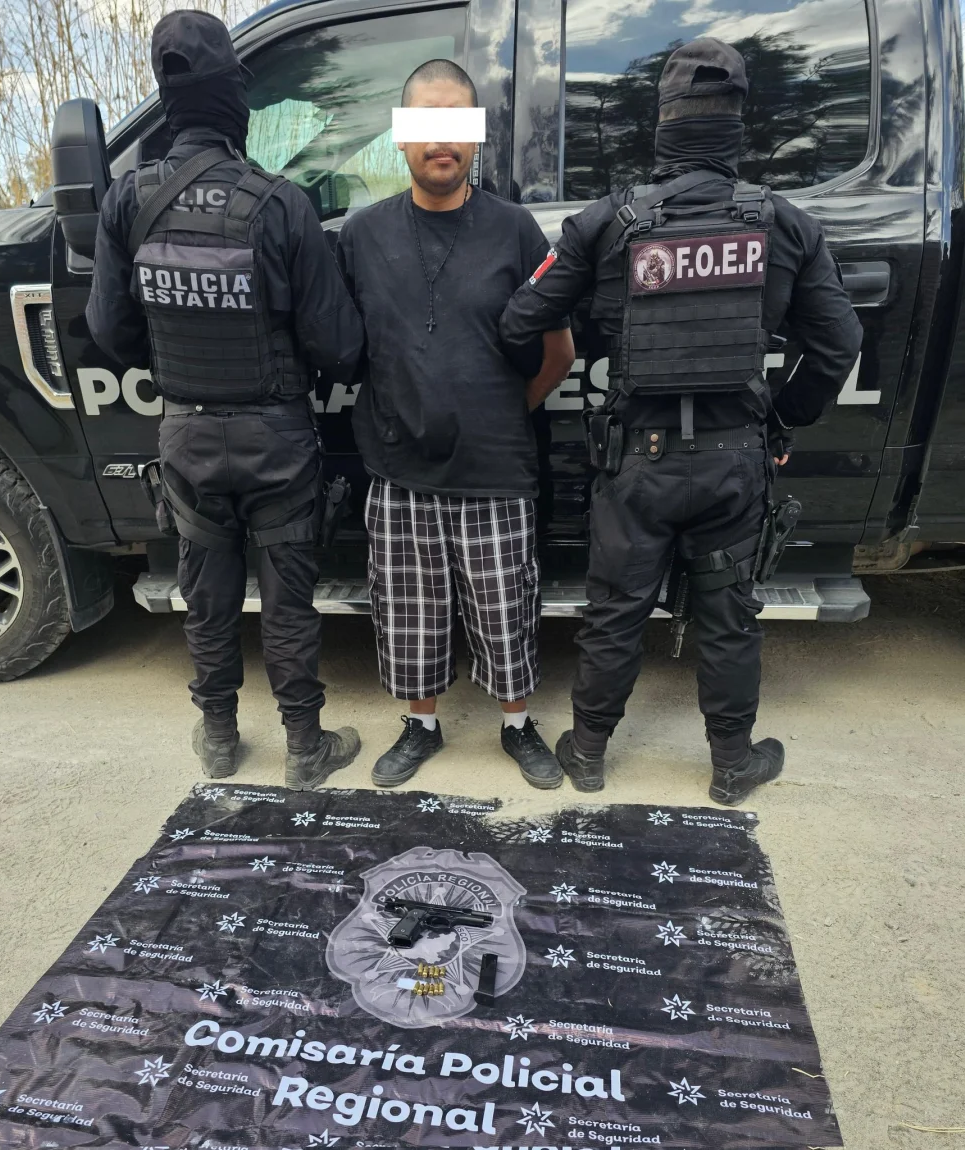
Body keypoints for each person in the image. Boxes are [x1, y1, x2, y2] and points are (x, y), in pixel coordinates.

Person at [499, 38, 862, 803]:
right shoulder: (783, 224)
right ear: (736, 124)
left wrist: (598, 321)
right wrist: (781, 420)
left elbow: (521, 317)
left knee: (616, 609)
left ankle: (588, 753)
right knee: (729, 616)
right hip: (735, 460)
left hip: (638, 461)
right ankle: (731, 765)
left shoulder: (608, 222)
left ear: (664, 122)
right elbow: (839, 342)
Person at [87, 11, 366, 787]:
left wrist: (175, 363)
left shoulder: (128, 201)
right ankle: (305, 747)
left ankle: (217, 739)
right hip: (277, 438)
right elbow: (338, 344)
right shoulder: (279, 203)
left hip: (187, 434)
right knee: (288, 598)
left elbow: (109, 331)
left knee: (204, 594)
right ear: (235, 99)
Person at [335, 60, 576, 790]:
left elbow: (559, 353)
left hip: (497, 469)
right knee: (409, 615)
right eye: (425, 122)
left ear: (476, 136)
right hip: (398, 468)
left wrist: (502, 412)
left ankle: (517, 725)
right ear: (401, 136)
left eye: (456, 123)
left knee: (507, 613)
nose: (441, 140)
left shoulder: (515, 230)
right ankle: (422, 726)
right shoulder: (361, 235)